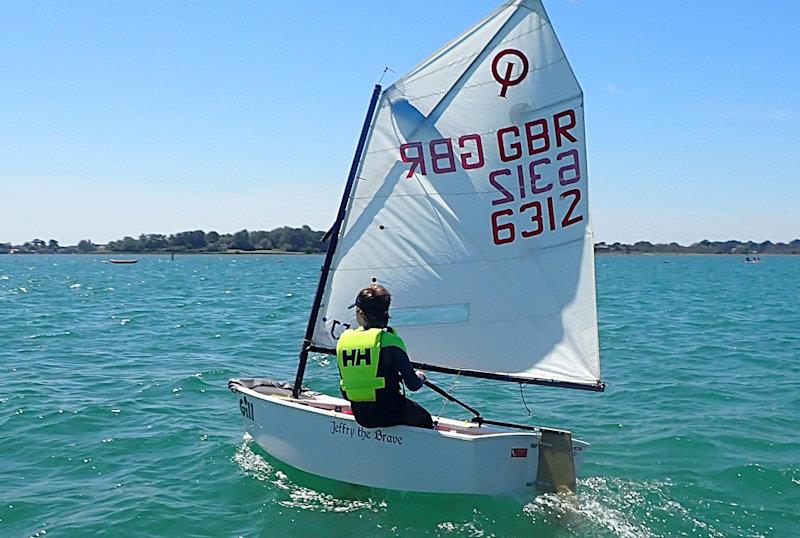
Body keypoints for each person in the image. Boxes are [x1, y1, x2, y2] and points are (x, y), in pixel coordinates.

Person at [335, 284, 434, 429]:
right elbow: (412, 385)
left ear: (360, 312)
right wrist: (421, 377)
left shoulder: (344, 341)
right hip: (390, 412)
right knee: (425, 419)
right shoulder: (391, 341)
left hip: (361, 416)